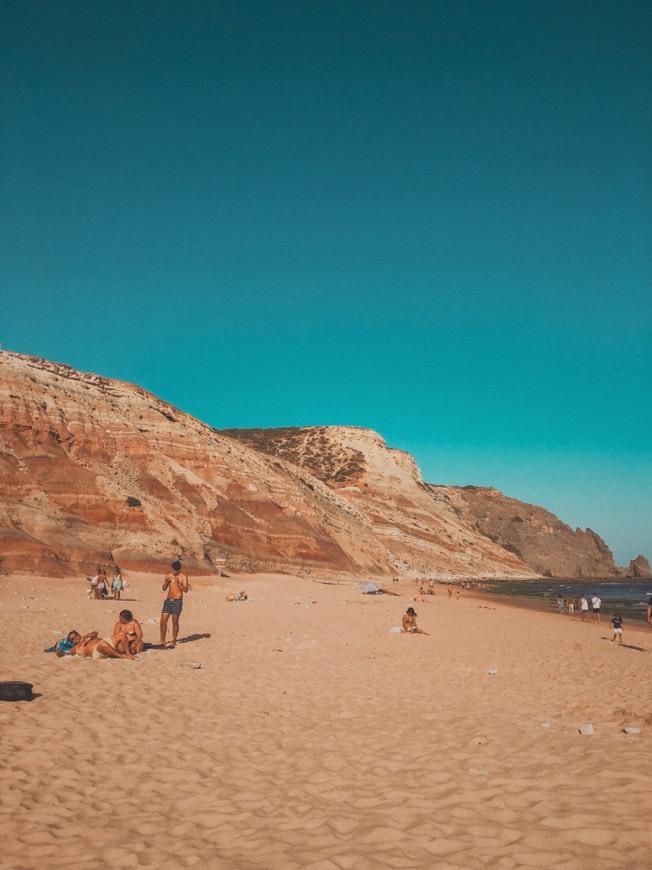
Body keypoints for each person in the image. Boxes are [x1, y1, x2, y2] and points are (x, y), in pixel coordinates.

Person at [158, 559, 189, 648]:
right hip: (168, 601)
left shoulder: (183, 577)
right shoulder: (169, 576)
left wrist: (178, 583)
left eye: (176, 570)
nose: (174, 572)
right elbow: (163, 588)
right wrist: (167, 581)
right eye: (173, 570)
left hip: (177, 602)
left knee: (174, 622)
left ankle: (174, 641)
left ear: (179, 569)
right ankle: (162, 640)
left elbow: (186, 590)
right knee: (162, 621)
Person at [57, 630, 135, 660]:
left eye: (76, 634)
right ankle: (122, 656)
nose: (76, 637)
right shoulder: (76, 647)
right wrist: (62, 653)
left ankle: (128, 653)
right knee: (103, 644)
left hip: (106, 642)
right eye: (73, 638)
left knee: (122, 634)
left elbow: (96, 632)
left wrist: (89, 635)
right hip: (96, 651)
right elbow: (70, 653)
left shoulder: (85, 636)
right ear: (72, 642)